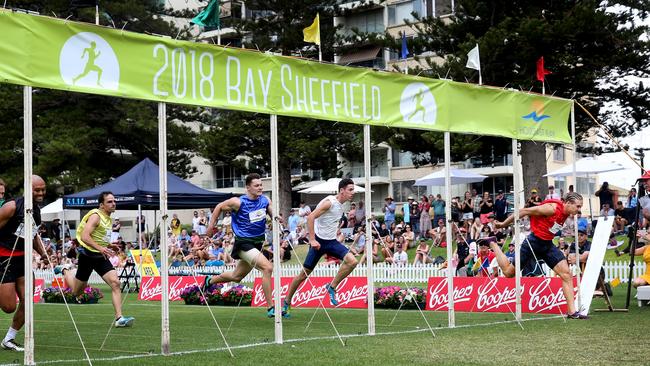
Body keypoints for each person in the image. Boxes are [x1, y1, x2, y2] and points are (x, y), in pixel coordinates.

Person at [492, 192, 586, 319]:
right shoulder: (551, 209)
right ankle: (492, 243)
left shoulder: (565, 213)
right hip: (533, 242)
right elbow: (524, 211)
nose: (579, 210)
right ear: (568, 203)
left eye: (580, 207)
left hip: (547, 244)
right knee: (509, 273)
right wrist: (503, 224)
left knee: (566, 274)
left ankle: (572, 312)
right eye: (578, 206)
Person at [55, 191, 135, 328]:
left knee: (115, 283)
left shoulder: (108, 218)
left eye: (114, 201)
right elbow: (85, 236)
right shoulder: (95, 216)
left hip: (100, 256)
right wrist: (102, 248)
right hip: (87, 255)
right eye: (109, 201)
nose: (113, 203)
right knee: (76, 292)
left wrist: (108, 245)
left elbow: (98, 236)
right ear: (101, 205)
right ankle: (65, 270)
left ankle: (119, 318)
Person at [203, 173, 277, 318]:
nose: (260, 187)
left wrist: (276, 216)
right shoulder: (237, 202)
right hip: (243, 243)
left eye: (261, 185)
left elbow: (271, 209)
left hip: (257, 243)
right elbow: (218, 207)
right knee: (267, 267)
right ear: (248, 187)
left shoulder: (265, 199)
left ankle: (209, 281)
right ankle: (270, 307)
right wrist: (211, 226)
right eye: (257, 185)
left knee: (237, 277)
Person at [284, 179, 359, 315]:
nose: (353, 192)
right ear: (342, 190)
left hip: (331, 242)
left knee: (353, 261)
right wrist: (312, 239)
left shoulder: (342, 205)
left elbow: (329, 222)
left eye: (353, 189)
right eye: (350, 189)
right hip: (318, 242)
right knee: (303, 275)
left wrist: (341, 237)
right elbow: (311, 217)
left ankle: (332, 286)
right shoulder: (329, 203)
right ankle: (287, 302)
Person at [0, 176, 49, 351]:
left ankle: (9, 339)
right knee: (8, 307)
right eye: (37, 190)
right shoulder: (11, 206)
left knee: (28, 302)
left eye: (43, 189)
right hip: (4, 259)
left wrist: (43, 253)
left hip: (24, 260)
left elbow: (33, 234)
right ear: (28, 189)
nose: (41, 193)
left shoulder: (36, 210)